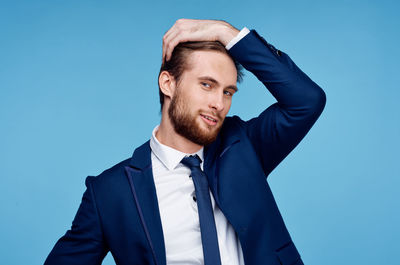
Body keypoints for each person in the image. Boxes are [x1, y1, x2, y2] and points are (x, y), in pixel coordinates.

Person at [45, 19, 326, 265]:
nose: (219, 103)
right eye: (207, 84)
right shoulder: (109, 192)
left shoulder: (243, 146)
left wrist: (225, 32)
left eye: (228, 92)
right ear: (168, 83)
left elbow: (306, 101)